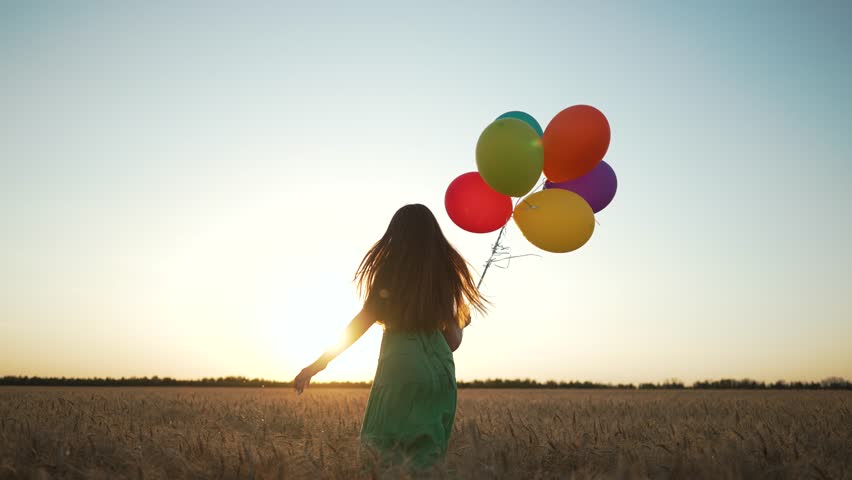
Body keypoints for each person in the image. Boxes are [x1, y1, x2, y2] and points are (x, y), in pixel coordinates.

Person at [293, 203, 487, 470]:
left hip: (399, 368)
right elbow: (452, 343)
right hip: (439, 374)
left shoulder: (389, 275)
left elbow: (359, 324)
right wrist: (461, 322)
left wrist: (319, 363)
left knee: (383, 455)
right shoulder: (445, 277)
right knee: (428, 459)